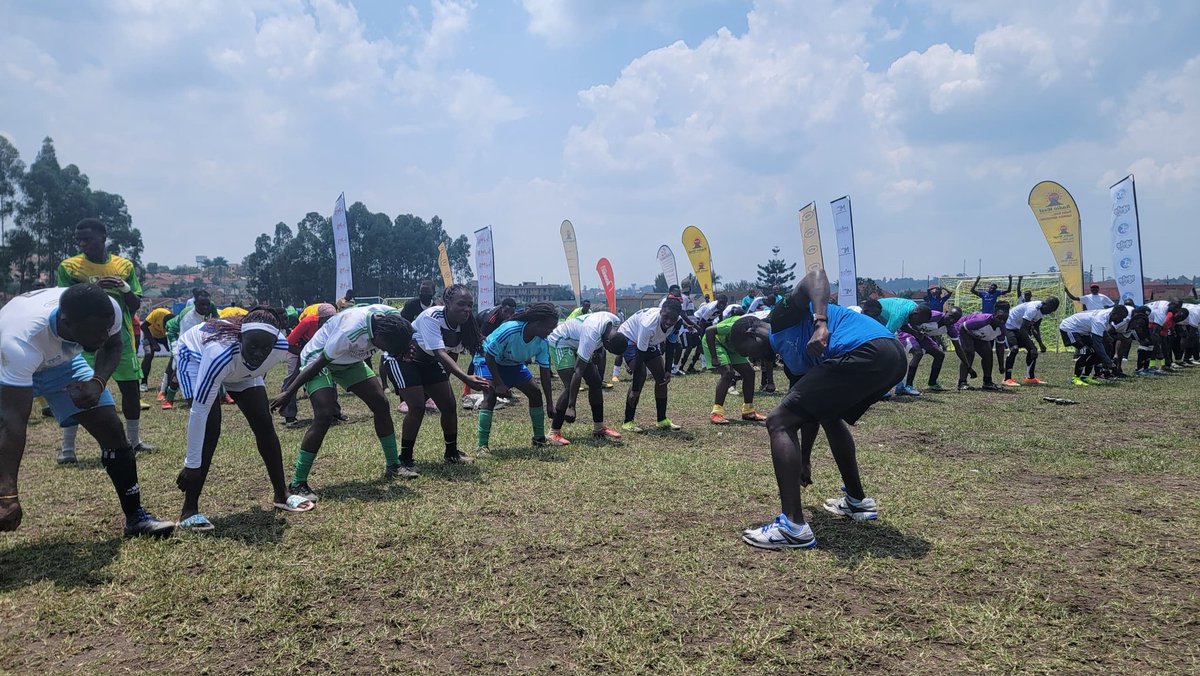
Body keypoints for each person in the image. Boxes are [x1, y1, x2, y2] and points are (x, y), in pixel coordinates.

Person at [729, 270, 905, 550]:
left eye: (745, 350)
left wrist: (820, 323)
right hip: (891, 358)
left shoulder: (781, 318)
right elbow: (806, 413)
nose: (750, 358)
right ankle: (857, 502)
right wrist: (805, 460)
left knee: (776, 421)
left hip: (867, 349)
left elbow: (815, 277)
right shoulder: (792, 363)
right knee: (829, 416)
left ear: (750, 331)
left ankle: (793, 525)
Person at [0, 285, 175, 536]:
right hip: (8, 364)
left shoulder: (106, 310)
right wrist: (8, 495)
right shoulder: (20, 342)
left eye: (107, 327)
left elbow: (113, 345)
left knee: (112, 430)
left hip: (60, 363)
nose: (104, 334)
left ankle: (136, 518)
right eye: (97, 331)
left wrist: (98, 382)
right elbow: (13, 420)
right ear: (67, 322)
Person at [173, 308, 314, 530]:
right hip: (195, 357)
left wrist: (247, 378)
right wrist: (191, 465)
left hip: (238, 365)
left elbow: (260, 366)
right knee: (211, 429)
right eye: (253, 346)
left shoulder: (278, 346)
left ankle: (282, 494)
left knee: (264, 424)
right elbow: (198, 412)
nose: (259, 353)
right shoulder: (218, 354)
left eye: (264, 348)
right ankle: (189, 510)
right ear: (241, 338)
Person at [270, 304, 416, 500]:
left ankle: (393, 466)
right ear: (380, 338)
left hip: (349, 360)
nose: (386, 351)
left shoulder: (392, 320)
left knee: (381, 404)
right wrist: (289, 392)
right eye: (388, 348)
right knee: (324, 414)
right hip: (318, 359)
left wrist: (405, 348)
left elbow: (406, 331)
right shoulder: (350, 332)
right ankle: (298, 483)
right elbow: (320, 362)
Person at [55, 218, 155, 463]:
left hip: (119, 338)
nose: (82, 244)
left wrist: (123, 288)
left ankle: (134, 441)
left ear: (102, 237)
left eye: (87, 238)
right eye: (78, 239)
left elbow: (135, 305)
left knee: (130, 388)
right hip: (81, 340)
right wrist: (92, 290)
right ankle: (68, 450)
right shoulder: (69, 267)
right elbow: (60, 302)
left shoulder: (124, 266)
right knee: (76, 388)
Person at [393, 284, 490, 471]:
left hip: (429, 363)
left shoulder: (465, 325)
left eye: (470, 305)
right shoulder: (433, 316)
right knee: (418, 407)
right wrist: (466, 378)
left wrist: (442, 383)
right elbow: (439, 352)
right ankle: (405, 458)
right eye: (461, 304)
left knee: (449, 405)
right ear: (447, 302)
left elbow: (451, 355)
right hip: (405, 360)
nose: (467, 309)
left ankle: (451, 453)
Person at [474, 303, 560, 455]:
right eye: (549, 328)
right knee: (490, 394)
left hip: (512, 364)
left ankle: (539, 439)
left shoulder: (543, 342)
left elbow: (545, 373)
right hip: (487, 359)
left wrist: (550, 404)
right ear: (537, 323)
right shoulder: (511, 330)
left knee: (534, 392)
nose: (551, 331)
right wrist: (499, 384)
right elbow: (489, 356)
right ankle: (482, 446)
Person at [546, 311, 628, 444]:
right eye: (609, 350)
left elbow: (599, 342)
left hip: (579, 341)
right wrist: (571, 406)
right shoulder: (591, 335)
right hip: (561, 341)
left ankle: (599, 428)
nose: (607, 352)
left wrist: (598, 351)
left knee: (595, 382)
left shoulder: (615, 321)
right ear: (607, 341)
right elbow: (577, 372)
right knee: (569, 385)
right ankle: (553, 433)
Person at [618, 299, 684, 433]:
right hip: (630, 338)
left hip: (649, 343)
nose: (669, 322)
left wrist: (667, 371)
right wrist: (635, 390)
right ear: (661, 312)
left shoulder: (678, 322)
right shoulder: (648, 325)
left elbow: (671, 345)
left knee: (662, 379)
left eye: (673, 318)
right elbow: (640, 356)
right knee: (641, 374)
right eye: (666, 317)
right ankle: (628, 421)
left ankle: (661, 420)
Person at [278, 303, 339, 427]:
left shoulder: (335, 325)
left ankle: (334, 412)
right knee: (293, 380)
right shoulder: (308, 322)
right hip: (297, 350)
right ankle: (289, 414)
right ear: (320, 318)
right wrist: (304, 354)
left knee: (330, 379)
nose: (329, 323)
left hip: (318, 353)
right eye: (326, 320)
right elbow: (288, 343)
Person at [859, 297, 932, 396]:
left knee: (898, 357)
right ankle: (880, 389)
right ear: (916, 314)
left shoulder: (913, 307)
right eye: (919, 321)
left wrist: (915, 333)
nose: (919, 324)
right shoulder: (899, 316)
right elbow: (885, 336)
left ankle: (900, 387)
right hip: (873, 320)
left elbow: (903, 324)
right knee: (887, 357)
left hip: (882, 323)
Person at [704, 313, 768, 424]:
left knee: (749, 373)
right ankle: (716, 413)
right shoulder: (736, 325)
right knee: (728, 373)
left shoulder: (759, 331)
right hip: (716, 342)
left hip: (735, 345)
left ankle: (748, 411)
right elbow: (709, 330)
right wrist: (714, 357)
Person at [162, 289, 220, 409]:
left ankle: (223, 395)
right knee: (180, 366)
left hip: (198, 335)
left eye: (207, 304)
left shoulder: (211, 307)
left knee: (214, 364)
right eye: (201, 305)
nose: (205, 307)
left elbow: (216, 324)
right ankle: (169, 398)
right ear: (195, 304)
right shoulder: (188, 318)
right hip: (176, 335)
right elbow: (187, 341)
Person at [463, 298, 519, 409]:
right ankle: (466, 389)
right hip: (477, 331)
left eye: (511, 313)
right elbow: (482, 338)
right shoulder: (491, 320)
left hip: (493, 333)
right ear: (501, 308)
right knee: (477, 359)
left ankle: (503, 388)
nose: (509, 315)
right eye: (506, 312)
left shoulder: (510, 318)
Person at [1058, 306, 1130, 386]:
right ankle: (1075, 378)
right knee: (1085, 351)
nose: (1122, 320)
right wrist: (1109, 363)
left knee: (1096, 353)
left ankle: (1085, 376)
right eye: (1121, 318)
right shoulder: (1100, 320)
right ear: (1115, 315)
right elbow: (1097, 344)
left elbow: (1102, 331)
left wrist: (1107, 337)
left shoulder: (1109, 314)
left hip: (1082, 331)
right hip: (1069, 328)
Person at [898, 307, 963, 393]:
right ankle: (908, 386)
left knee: (940, 355)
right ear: (946, 312)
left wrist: (968, 366)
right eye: (950, 316)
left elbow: (958, 348)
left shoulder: (950, 328)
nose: (951, 320)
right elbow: (911, 320)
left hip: (921, 335)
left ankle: (932, 383)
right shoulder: (933, 315)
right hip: (907, 331)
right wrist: (916, 332)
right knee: (918, 353)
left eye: (955, 319)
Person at [1002, 296, 1060, 386]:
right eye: (1049, 309)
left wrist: (1041, 344)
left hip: (1019, 328)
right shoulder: (1033, 308)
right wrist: (1032, 345)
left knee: (1033, 351)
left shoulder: (1043, 311)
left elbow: (1035, 327)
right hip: (1009, 326)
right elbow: (1023, 329)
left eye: (1052, 311)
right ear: (1045, 304)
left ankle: (1030, 378)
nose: (1049, 312)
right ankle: (1007, 379)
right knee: (1014, 349)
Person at [952, 308, 1009, 391]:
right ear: (994, 315)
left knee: (988, 354)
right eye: (999, 318)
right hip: (963, 329)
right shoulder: (982, 321)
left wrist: (1001, 365)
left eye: (1004, 320)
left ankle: (987, 382)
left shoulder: (1002, 329)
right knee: (969, 353)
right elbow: (962, 327)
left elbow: (1000, 347)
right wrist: (969, 346)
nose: (1001, 321)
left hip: (977, 334)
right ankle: (962, 382)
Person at [139, 306, 172, 392]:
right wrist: (153, 343)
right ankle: (143, 383)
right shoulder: (158, 313)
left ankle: (172, 382)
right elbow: (143, 326)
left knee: (176, 356)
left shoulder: (175, 323)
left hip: (165, 337)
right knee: (149, 354)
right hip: (150, 334)